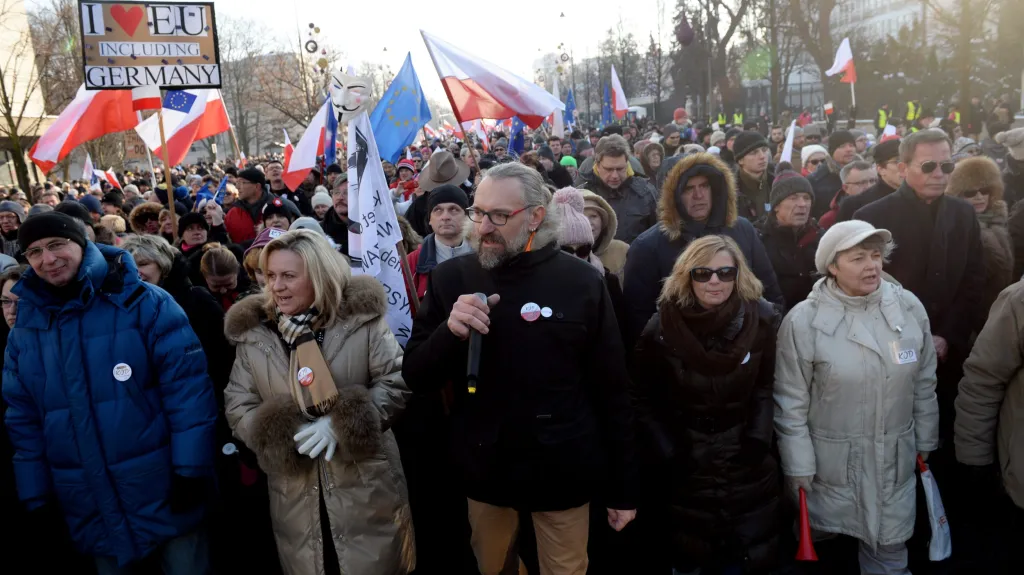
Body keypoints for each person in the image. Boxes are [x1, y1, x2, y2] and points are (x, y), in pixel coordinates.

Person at [402, 162, 637, 574]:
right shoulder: (451, 277)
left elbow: (613, 389)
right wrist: (449, 332)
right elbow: (416, 375)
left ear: (535, 216)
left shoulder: (581, 282)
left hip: (562, 471)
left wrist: (623, 486)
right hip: (485, 471)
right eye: (478, 212)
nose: (484, 226)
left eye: (499, 216)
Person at [2, 212, 218, 573]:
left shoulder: (146, 302)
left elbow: (188, 392)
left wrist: (190, 469)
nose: (48, 259)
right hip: (87, 500)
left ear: (81, 244)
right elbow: (23, 419)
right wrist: (36, 493)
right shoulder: (26, 328)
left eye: (57, 245)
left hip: (163, 489)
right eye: (35, 252)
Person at [223, 229, 415, 575]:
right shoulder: (256, 334)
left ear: (318, 275)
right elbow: (238, 404)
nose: (276, 286)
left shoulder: (362, 321)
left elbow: (396, 381)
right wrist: (280, 434)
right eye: (270, 276)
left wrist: (343, 423)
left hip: (365, 487)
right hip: (294, 493)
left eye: (288, 276)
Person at [774, 220, 939, 574]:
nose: (872, 265)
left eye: (876, 256)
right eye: (858, 258)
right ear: (832, 266)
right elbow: (790, 401)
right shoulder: (804, 321)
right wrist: (798, 465)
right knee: (822, 546)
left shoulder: (907, 308)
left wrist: (926, 438)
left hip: (893, 461)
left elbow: (924, 381)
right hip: (830, 465)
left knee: (889, 550)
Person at [631, 235, 780, 574]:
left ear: (738, 274)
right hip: (686, 461)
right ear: (687, 275)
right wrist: (670, 451)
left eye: (725, 272)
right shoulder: (661, 327)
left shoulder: (763, 318)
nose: (715, 281)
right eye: (703, 273)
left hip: (747, 460)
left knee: (749, 555)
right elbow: (642, 397)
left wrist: (758, 440)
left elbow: (766, 384)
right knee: (690, 555)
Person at [855, 129, 983, 443]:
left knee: (947, 437)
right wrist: (914, 337)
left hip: (950, 351)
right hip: (891, 354)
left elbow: (973, 279)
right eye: (929, 167)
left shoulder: (963, 213)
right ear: (903, 168)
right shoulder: (871, 216)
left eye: (947, 166)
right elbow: (863, 287)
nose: (939, 174)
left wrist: (946, 336)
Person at [622, 152, 783, 344]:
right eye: (688, 188)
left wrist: (760, 340)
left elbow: (770, 291)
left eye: (704, 186)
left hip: (744, 352)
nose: (698, 195)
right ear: (672, 194)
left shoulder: (743, 230)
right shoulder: (647, 246)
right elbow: (637, 320)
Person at [945, 156, 1013, 325]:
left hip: (1001, 311)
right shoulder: (957, 229)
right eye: (970, 193)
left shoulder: (998, 221)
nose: (979, 197)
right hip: (974, 318)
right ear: (958, 194)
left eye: (985, 191)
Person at [757, 164, 820, 310]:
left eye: (806, 198)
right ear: (776, 206)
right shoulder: (759, 239)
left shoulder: (820, 237)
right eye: (793, 198)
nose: (802, 204)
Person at [577, 135, 659, 244]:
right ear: (597, 166)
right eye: (609, 169)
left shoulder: (646, 192)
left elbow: (658, 235)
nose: (615, 175)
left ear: (627, 164)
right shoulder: (582, 195)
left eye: (620, 169)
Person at [406, 184, 472, 301]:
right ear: (430, 219)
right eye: (438, 210)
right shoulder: (410, 264)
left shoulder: (485, 256)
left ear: (466, 216)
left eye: (454, 209)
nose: (445, 216)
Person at [836, 138, 902, 223]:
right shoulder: (854, 204)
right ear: (881, 169)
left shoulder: (921, 196)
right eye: (897, 162)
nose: (904, 167)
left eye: (908, 161)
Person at [582, 190, 630, 280]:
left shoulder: (622, 250)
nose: (588, 223)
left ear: (603, 220)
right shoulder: (562, 256)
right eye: (582, 217)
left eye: (593, 216)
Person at [809, 130, 858, 218]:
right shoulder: (816, 180)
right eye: (842, 146)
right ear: (832, 151)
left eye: (851, 145)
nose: (849, 149)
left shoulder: (867, 174)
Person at [819, 160, 876, 230]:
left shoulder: (886, 207)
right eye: (862, 183)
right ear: (846, 188)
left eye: (873, 181)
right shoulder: (830, 219)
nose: (869, 186)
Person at [733, 131, 775, 223]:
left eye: (764, 150)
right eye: (754, 152)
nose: (762, 156)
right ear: (740, 160)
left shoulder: (777, 184)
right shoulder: (730, 191)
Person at [225, 167, 274, 243]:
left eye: (242, 183)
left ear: (257, 186)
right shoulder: (232, 213)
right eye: (237, 183)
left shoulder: (278, 206)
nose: (237, 187)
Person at [321, 179, 350, 255]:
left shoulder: (373, 228)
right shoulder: (320, 231)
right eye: (336, 192)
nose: (340, 197)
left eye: (347, 192)